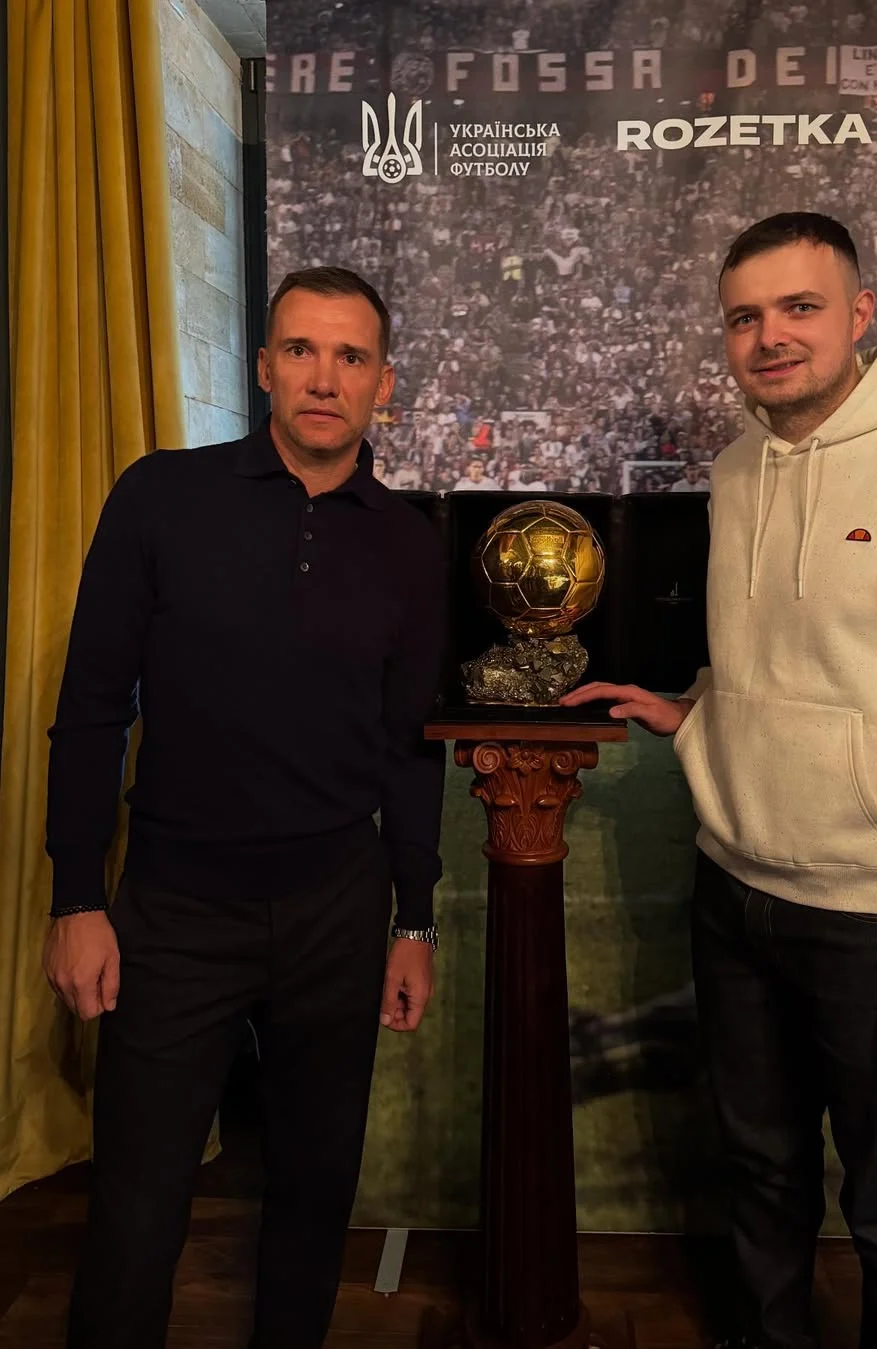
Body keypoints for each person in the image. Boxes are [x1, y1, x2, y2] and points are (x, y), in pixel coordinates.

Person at [563, 213, 877, 1349]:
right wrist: (699, 713)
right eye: (745, 317)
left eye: (799, 308)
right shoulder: (736, 468)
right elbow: (785, 661)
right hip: (732, 894)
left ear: (860, 315)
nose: (770, 336)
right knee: (759, 1175)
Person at [43, 266, 448, 1349]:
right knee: (135, 1211)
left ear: (383, 382)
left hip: (337, 912)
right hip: (175, 911)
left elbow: (411, 751)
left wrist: (415, 919)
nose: (325, 377)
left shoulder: (410, 544)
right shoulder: (160, 497)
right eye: (302, 350)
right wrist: (76, 896)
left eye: (351, 356)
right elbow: (91, 707)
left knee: (314, 1197)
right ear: (265, 366)